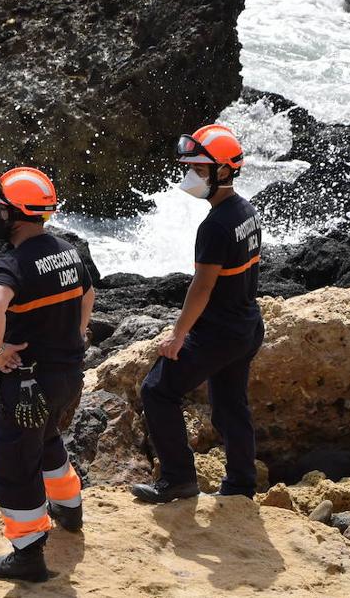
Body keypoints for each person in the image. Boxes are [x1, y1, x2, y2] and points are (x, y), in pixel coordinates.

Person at [131, 124, 264, 504]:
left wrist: (176, 337)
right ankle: (241, 485)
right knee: (230, 406)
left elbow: (202, 287)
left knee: (156, 390)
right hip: (246, 326)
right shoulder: (246, 212)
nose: (191, 176)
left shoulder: (215, 226)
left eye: (199, 169)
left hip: (218, 333)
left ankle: (177, 479)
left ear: (224, 171)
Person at [0, 167, 96, 582]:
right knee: (46, 440)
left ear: (16, 214)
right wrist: (78, 334)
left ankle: (27, 553)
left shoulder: (13, 262)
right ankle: (69, 507)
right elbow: (88, 292)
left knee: (14, 459)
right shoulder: (65, 250)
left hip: (26, 383)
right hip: (67, 376)